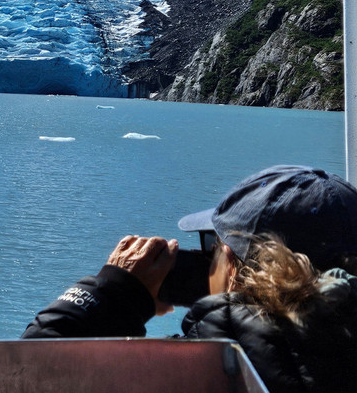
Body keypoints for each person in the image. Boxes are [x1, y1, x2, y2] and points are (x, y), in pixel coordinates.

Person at [22, 165, 357, 393]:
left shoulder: (196, 372)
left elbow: (23, 374)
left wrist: (112, 295)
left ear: (233, 263)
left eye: (212, 244)